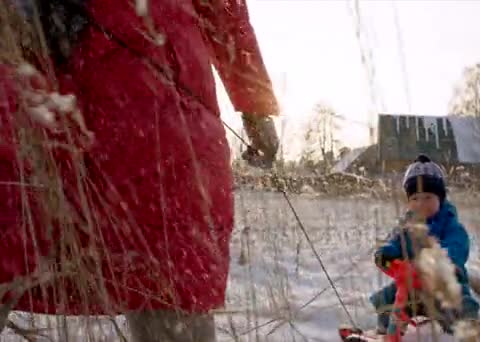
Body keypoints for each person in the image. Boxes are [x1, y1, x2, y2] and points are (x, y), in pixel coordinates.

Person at [0, 0, 278, 341]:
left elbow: (224, 9)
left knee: (169, 272)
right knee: (11, 229)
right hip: (33, 82)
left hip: (154, 98)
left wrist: (255, 102)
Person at [370, 154, 480, 335]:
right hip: (410, 283)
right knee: (386, 298)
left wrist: (440, 260)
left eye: (428, 197)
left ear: (441, 198)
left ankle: (469, 328)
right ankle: (384, 331)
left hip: (443, 283)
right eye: (415, 198)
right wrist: (386, 254)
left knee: (461, 300)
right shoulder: (406, 226)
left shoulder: (450, 224)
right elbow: (394, 241)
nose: (421, 203)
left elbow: (457, 245)